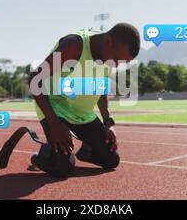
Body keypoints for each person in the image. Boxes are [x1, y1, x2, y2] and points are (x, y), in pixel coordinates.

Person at [28, 23, 140, 178]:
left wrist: (107, 121)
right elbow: (35, 79)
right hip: (55, 108)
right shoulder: (73, 45)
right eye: (115, 59)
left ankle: (86, 150)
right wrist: (53, 122)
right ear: (108, 42)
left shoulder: (108, 53)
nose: (114, 66)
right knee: (62, 166)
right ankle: (44, 155)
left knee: (111, 159)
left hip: (81, 114)